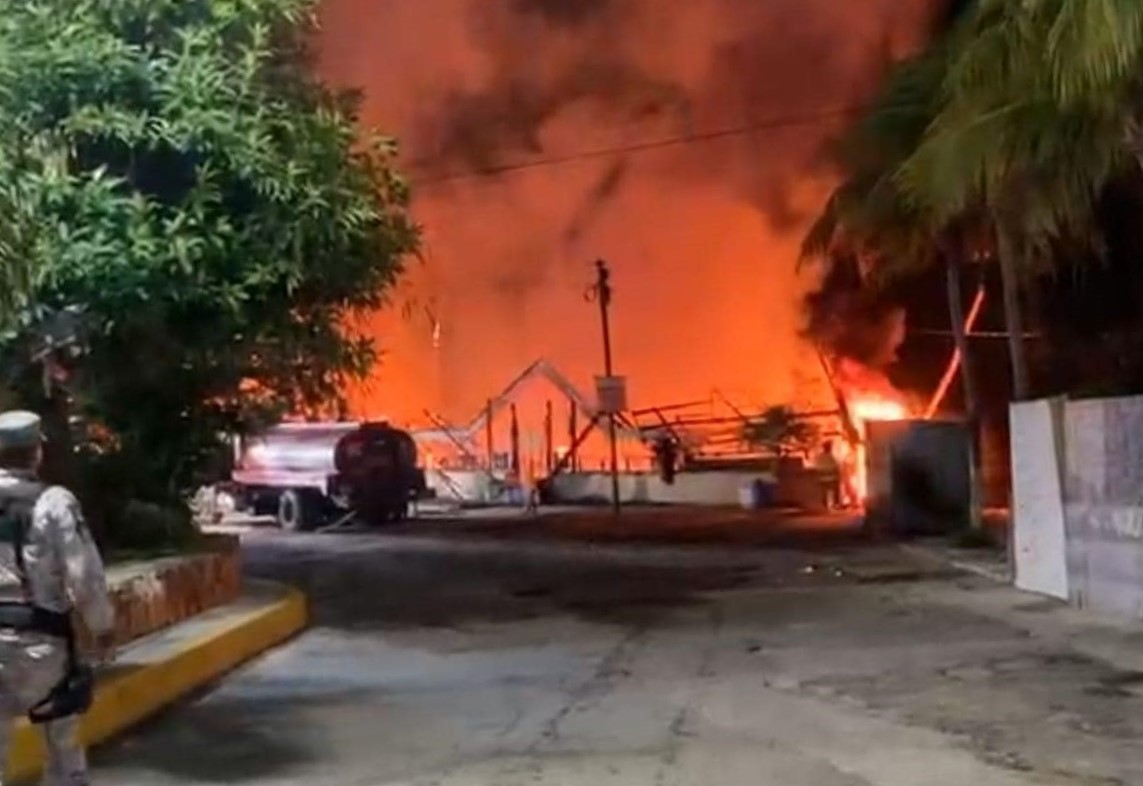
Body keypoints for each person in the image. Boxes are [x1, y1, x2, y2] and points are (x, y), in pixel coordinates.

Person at [0, 410, 115, 785]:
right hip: (42, 646)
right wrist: (102, 627)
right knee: (63, 749)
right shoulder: (54, 503)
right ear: (36, 452)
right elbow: (84, 573)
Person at [814, 440, 842, 511]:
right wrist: (838, 475)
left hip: (822, 478)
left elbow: (817, 467)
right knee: (835, 490)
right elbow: (835, 467)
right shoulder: (830, 457)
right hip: (831, 477)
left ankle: (825, 505)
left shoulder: (820, 457)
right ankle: (835, 504)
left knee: (824, 492)